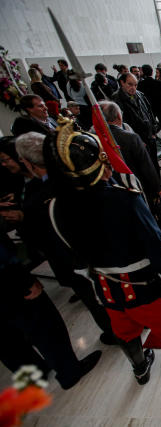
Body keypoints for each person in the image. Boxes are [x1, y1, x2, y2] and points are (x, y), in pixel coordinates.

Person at [43, 118, 161, 385]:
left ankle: (140, 367)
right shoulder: (125, 199)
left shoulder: (54, 208)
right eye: (103, 162)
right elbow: (154, 242)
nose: (109, 166)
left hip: (105, 286)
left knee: (124, 329)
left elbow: (73, 256)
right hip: (143, 283)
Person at [15, 131, 117, 345]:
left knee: (96, 300)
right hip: (102, 250)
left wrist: (20, 218)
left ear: (27, 162)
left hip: (74, 261)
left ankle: (117, 334)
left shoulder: (35, 200)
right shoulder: (76, 173)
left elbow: (34, 238)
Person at [0, 227, 102, 390]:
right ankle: (70, 372)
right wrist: (24, 280)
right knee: (44, 325)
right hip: (9, 284)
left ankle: (33, 375)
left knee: (6, 339)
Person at [99, 101, 161, 203]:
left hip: (115, 190)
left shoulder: (98, 139)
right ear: (119, 116)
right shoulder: (130, 138)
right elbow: (146, 165)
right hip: (137, 185)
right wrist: (157, 188)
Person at [111, 73, 160, 175]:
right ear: (122, 83)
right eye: (130, 84)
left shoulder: (140, 95)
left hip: (150, 137)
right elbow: (121, 124)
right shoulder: (117, 100)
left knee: (154, 165)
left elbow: (150, 113)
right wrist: (137, 140)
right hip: (136, 141)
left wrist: (154, 131)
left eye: (135, 85)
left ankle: (159, 188)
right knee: (144, 170)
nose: (133, 88)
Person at [138, 64, 161, 139]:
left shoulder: (140, 84)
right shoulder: (158, 83)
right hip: (160, 107)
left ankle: (155, 138)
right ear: (152, 72)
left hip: (148, 109)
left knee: (151, 125)